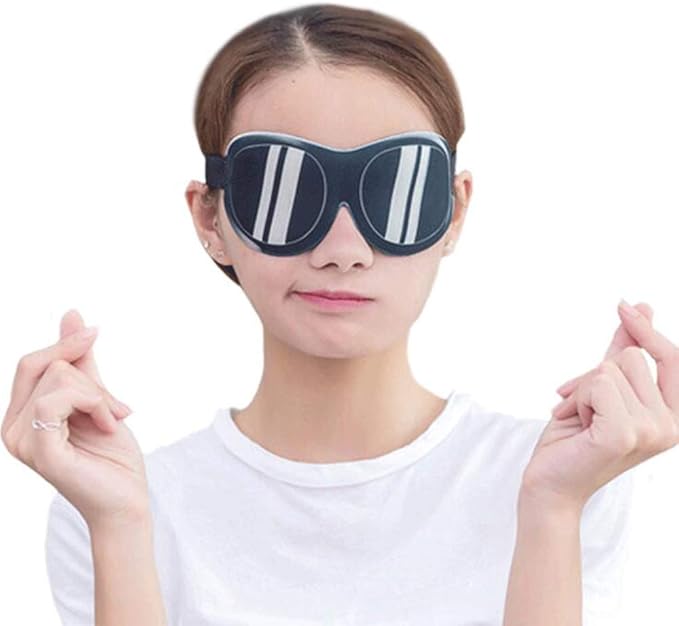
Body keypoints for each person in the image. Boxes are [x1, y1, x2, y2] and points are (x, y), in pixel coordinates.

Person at [3, 4, 678, 625]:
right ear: (211, 219)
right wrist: (119, 527)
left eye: (397, 191)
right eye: (283, 191)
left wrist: (552, 510)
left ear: (453, 212)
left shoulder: (563, 475)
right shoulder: (117, 498)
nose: (343, 251)